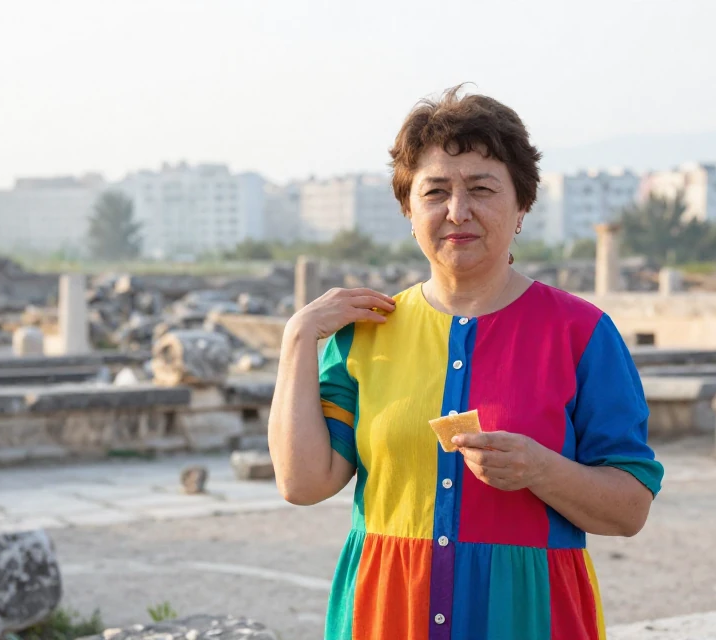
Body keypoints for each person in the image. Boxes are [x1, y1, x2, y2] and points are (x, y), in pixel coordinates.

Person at [269, 85, 663, 640]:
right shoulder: (363, 334)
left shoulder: (581, 333)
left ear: (522, 205)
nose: (458, 211)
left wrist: (540, 469)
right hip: (386, 613)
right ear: (409, 210)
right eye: (435, 192)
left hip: (530, 616)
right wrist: (297, 338)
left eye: (482, 188)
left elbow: (629, 511)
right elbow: (303, 483)